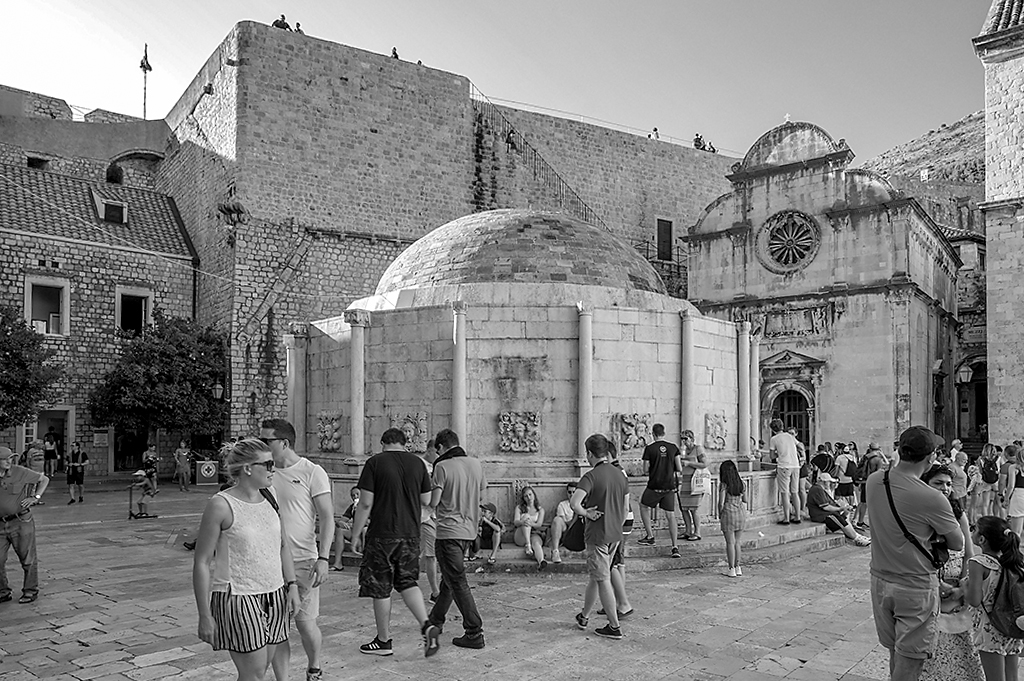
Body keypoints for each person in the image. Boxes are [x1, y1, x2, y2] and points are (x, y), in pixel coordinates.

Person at [192, 438, 301, 681]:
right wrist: (204, 614)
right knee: (254, 673)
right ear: (248, 468)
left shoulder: (270, 495)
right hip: (238, 595)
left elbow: (282, 545)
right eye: (268, 464)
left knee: (261, 669)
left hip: (274, 593)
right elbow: (202, 561)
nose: (273, 469)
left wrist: (292, 585)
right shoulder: (221, 505)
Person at [866, 425, 964, 681]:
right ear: (931, 458)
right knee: (910, 663)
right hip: (915, 586)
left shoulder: (875, 481)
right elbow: (957, 542)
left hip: (880, 581)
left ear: (900, 450)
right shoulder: (932, 498)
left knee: (895, 653)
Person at [351, 428, 439, 658]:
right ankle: (426, 624)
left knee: (381, 587)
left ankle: (383, 641)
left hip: (382, 533)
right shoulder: (418, 464)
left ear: (383, 443)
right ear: (404, 443)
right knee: (407, 581)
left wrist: (356, 533)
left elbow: (365, 503)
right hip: (410, 533)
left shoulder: (374, 463)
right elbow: (426, 500)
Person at [260, 418, 334, 681]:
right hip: (270, 561)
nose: (262, 445)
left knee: (304, 623)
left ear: (284, 443)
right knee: (276, 628)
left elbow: (327, 516)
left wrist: (324, 558)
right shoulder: (262, 473)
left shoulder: (311, 472)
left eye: (266, 440)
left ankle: (314, 666)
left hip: (303, 559)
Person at [426, 428, 487, 651]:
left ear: (441, 447)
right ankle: (435, 620)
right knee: (450, 580)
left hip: (448, 532)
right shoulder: (476, 464)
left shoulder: (442, 467)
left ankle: (474, 631)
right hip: (468, 532)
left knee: (457, 581)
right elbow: (481, 496)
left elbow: (434, 502)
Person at [571, 433, 629, 640]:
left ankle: (614, 626)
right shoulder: (620, 474)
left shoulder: (591, 476)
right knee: (596, 577)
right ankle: (584, 616)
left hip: (597, 535)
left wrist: (587, 513)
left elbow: (574, 503)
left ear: (589, 453)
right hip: (615, 534)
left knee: (602, 579)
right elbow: (625, 508)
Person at [966, 516, 1024, 681]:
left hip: (990, 627)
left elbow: (974, 600)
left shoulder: (978, 563)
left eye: (974, 529)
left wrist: (965, 587)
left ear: (982, 539)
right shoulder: (1012, 561)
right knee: (1012, 677)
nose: (972, 531)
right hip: (1011, 625)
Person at [0, 446, 48, 604]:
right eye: (5, 459)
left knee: (28, 558)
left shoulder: (19, 471)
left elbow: (44, 480)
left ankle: (30, 590)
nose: (9, 461)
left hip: (21, 521)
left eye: (11, 458)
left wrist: (36, 497)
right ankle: (3, 591)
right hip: (0, 523)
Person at [637, 423, 682, 558]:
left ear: (653, 434)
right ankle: (675, 547)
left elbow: (645, 469)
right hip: (669, 486)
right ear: (664, 433)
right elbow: (679, 468)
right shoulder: (673, 447)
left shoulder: (649, 448)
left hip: (654, 485)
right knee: (670, 516)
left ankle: (650, 536)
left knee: (643, 506)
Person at [922, 464, 974, 581]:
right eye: (938, 483)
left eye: (949, 484)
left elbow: (969, 552)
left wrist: (963, 581)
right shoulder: (916, 512)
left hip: (954, 580)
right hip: (926, 579)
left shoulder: (958, 513)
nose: (945, 488)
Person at [806, 472, 870, 546]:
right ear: (824, 482)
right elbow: (826, 507)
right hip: (822, 516)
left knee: (843, 517)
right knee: (840, 520)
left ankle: (857, 536)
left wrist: (843, 509)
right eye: (829, 482)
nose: (830, 484)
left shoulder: (820, 489)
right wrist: (840, 508)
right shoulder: (817, 489)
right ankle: (856, 538)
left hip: (825, 514)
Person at [416, 439, 439, 602]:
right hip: (425, 515)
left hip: (432, 516)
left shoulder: (436, 466)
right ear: (430, 450)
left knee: (419, 552)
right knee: (431, 555)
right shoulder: (420, 467)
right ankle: (435, 592)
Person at [769, 419, 801, 525]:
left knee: (784, 493)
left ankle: (786, 518)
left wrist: (780, 453)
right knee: (795, 492)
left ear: (773, 429)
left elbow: (772, 456)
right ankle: (797, 516)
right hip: (795, 465)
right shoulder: (790, 436)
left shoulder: (774, 439)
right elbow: (800, 446)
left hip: (784, 466)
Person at [677, 429, 708, 541]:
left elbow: (705, 463)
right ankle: (688, 530)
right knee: (684, 508)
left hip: (696, 481)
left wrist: (689, 463)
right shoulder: (683, 450)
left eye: (686, 438)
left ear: (692, 438)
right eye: (682, 439)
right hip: (685, 481)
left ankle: (697, 532)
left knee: (694, 508)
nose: (684, 441)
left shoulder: (698, 449)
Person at [718, 459, 746, 577]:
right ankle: (738, 567)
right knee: (737, 542)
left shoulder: (724, 485)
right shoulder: (742, 483)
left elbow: (721, 503)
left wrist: (720, 515)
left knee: (730, 542)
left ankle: (731, 569)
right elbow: (745, 500)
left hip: (728, 513)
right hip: (740, 513)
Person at [854, 443, 887, 530]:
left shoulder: (865, 457)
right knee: (874, 504)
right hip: (873, 483)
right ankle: (874, 523)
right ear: (878, 449)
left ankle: (860, 521)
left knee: (863, 502)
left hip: (864, 482)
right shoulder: (878, 460)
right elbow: (879, 473)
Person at [514, 486, 547, 569]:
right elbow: (516, 522)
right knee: (526, 516)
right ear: (523, 498)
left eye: (530, 494)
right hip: (521, 536)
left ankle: (541, 561)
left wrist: (531, 524)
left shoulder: (540, 510)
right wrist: (523, 522)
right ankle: (528, 545)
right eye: (526, 496)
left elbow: (539, 524)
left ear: (534, 495)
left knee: (536, 543)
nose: (529, 498)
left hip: (533, 533)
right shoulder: (519, 508)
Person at [331, 487, 361, 571]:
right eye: (353, 495)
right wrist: (340, 523)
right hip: (357, 537)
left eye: (357, 494)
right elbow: (341, 520)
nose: (355, 497)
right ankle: (338, 563)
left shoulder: (370, 506)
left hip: (368, 536)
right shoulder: (352, 507)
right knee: (339, 529)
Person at [549, 482, 577, 563]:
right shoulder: (562, 505)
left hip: (580, 532)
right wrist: (574, 519)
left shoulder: (583, 504)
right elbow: (563, 521)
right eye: (570, 492)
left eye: (574, 492)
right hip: (567, 531)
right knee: (557, 520)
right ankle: (555, 551)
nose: (572, 494)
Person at [1003, 444, 1024, 538]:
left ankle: (1016, 546)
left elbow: (1011, 485)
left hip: (1018, 495)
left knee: (1016, 531)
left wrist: (1006, 498)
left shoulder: (1014, 467)